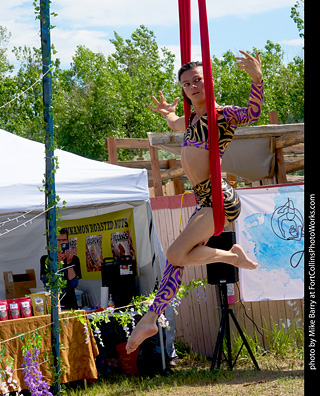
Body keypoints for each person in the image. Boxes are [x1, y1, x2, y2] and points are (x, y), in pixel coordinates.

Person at [126, 51, 263, 354]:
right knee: (175, 261)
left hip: (219, 197)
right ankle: (152, 317)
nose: (193, 87)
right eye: (187, 84)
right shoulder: (191, 120)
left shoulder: (221, 114)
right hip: (206, 199)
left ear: (209, 81)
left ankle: (230, 257)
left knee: (176, 253)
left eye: (198, 80)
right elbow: (176, 123)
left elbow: (252, 114)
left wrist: (256, 79)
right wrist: (167, 114)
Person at [40, 228, 82, 310]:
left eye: (64, 240)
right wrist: (58, 263)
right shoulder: (46, 259)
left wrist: (69, 263)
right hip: (53, 303)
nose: (62, 243)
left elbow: (74, 283)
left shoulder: (74, 259)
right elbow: (46, 280)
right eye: (59, 240)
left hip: (70, 303)